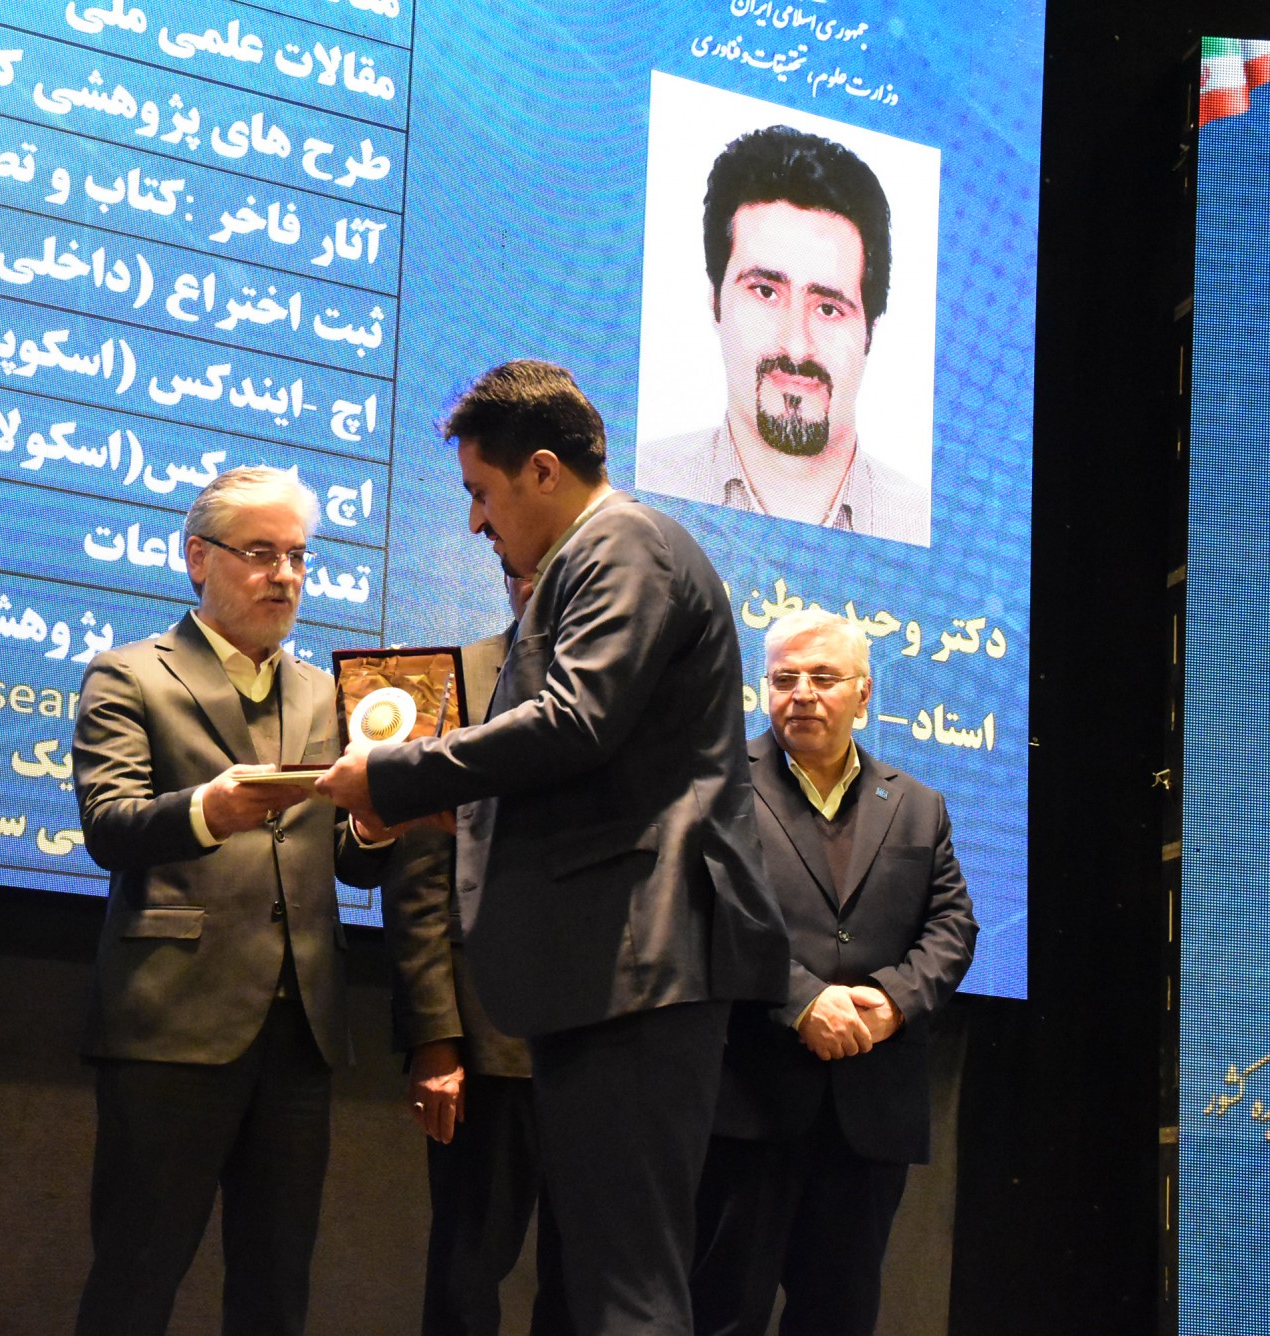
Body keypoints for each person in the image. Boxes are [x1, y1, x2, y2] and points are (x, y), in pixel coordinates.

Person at [316, 359, 789, 1335]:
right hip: (610, 967)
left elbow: (576, 722)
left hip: (641, 965)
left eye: (480, 493)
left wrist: (397, 776)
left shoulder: (621, 543)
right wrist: (456, 815)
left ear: (541, 470)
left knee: (626, 1290)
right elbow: (599, 769)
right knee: (612, 1283)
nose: (474, 523)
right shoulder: (592, 562)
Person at [70, 466, 389, 1336]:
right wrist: (208, 811)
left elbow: (348, 861)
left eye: (298, 556)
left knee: (277, 1290)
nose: (284, 576)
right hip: (173, 1019)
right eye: (260, 554)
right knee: (137, 1278)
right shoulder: (129, 675)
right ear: (198, 558)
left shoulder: (329, 693)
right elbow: (109, 826)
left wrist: (379, 830)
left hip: (301, 1028)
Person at [690, 609, 976, 1336]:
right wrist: (803, 1002)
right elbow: (706, 913)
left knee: (841, 1318)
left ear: (864, 693)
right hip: (749, 1101)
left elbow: (953, 928)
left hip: (870, 1110)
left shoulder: (917, 805)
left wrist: (891, 1001)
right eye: (785, 678)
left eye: (823, 677)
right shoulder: (717, 785)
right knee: (723, 1313)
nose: (803, 694)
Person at [380, 572, 573, 1336]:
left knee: (589, 1280)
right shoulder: (450, 680)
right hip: (488, 1043)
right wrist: (435, 1039)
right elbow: (418, 881)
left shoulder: (634, 692)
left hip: (606, 1042)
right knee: (467, 1269)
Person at [637, 125, 928, 545]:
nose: (795, 346)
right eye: (766, 292)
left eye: (828, 308)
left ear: (870, 332)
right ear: (716, 301)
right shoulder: (637, 488)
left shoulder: (918, 524)